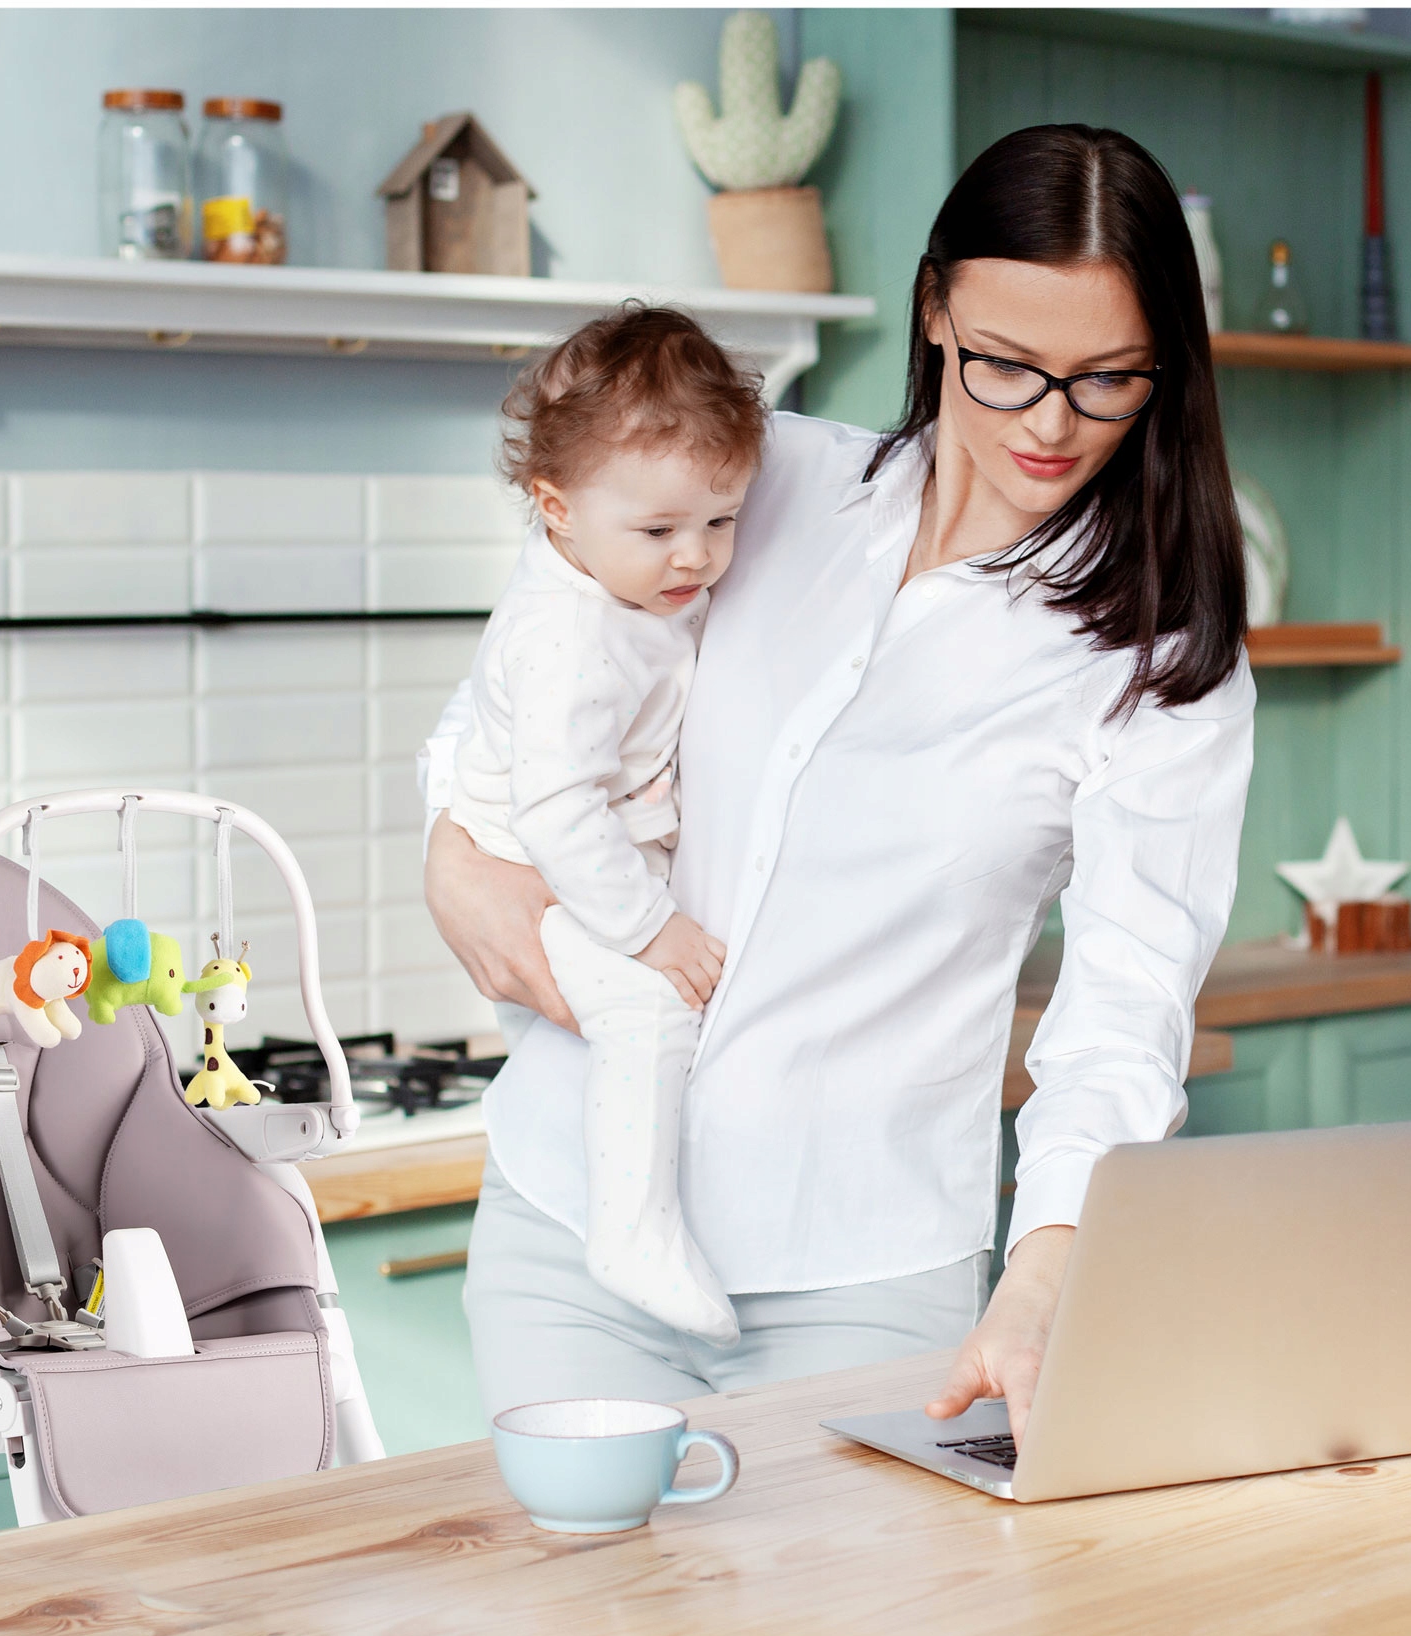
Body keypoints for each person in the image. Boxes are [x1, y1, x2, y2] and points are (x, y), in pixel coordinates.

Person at [421, 124, 1257, 1447]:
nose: (1051, 420)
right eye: (1008, 363)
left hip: (863, 1281)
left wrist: (1042, 1267)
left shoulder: (1161, 662)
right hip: (568, 1231)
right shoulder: (758, 486)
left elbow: (1124, 1008)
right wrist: (451, 851)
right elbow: (530, 688)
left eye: (1107, 379)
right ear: (935, 313)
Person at [447, 305, 766, 1345]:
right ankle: (628, 1231)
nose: (697, 557)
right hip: (531, 862)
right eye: (662, 530)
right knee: (647, 1014)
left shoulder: (627, 583)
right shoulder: (567, 639)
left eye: (721, 521)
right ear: (556, 509)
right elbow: (557, 810)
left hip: (574, 853)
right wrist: (649, 930)